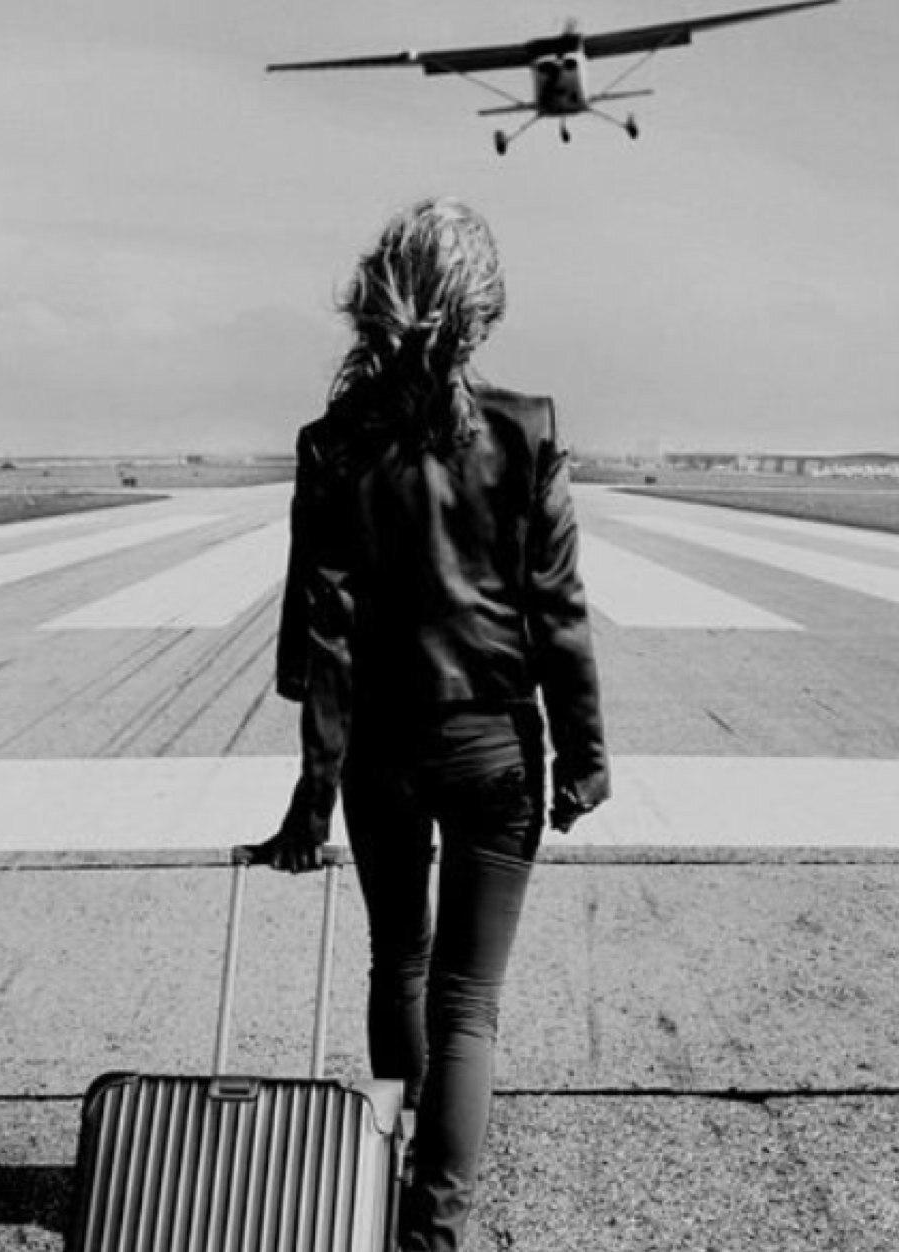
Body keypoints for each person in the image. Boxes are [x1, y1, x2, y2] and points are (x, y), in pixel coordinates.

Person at [253, 196, 610, 1252]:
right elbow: (558, 610)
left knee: (398, 966)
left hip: (378, 750)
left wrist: (313, 793)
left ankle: (381, 1185)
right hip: (496, 746)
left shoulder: (333, 443)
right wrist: (584, 756)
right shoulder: (527, 430)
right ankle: (432, 1234)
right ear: (479, 310)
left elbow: (322, 633)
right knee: (467, 1004)